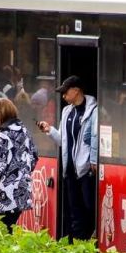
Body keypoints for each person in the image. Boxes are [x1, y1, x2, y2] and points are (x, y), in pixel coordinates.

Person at [38, 75, 98, 241]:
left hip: (86, 170)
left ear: (77, 90)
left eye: (66, 92)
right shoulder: (67, 111)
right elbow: (63, 141)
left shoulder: (94, 110)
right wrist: (50, 130)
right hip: (70, 169)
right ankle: (78, 245)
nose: (63, 96)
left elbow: (95, 136)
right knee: (75, 209)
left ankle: (90, 241)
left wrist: (93, 160)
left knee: (89, 207)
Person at [0, 98, 38, 230]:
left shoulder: (2, 136)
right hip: (23, 190)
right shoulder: (25, 132)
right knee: (10, 228)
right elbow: (34, 157)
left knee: (2, 232)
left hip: (7, 194)